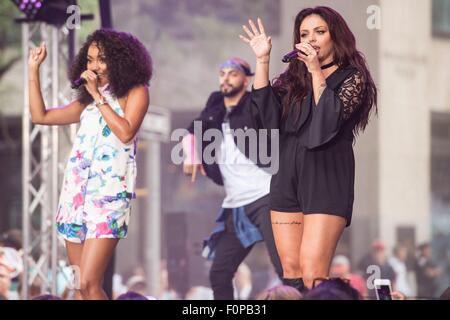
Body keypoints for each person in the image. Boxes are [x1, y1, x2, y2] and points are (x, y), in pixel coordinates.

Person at [240, 6, 377, 293]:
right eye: (304, 34)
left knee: (313, 272)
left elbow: (326, 123)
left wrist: (316, 69)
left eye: (319, 32)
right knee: (291, 272)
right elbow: (265, 121)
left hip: (325, 173)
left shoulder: (353, 77)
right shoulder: (292, 79)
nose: (311, 39)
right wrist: (262, 61)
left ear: (334, 35)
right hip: (286, 173)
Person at [28, 29, 152, 300]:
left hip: (107, 199)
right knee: (78, 286)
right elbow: (40, 116)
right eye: (90, 59)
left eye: (102, 59)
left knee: (88, 282)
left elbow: (125, 132)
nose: (94, 66)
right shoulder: (87, 102)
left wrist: (98, 96)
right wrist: (33, 70)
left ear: (120, 60)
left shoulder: (135, 91)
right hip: (75, 196)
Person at [182, 57, 282, 300]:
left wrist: (262, 60)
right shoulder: (215, 105)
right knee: (219, 272)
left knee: (284, 266)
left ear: (246, 80)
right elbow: (190, 132)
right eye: (222, 73)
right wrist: (191, 156)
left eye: (233, 73)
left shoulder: (253, 104)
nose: (226, 78)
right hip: (236, 204)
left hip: (265, 196)